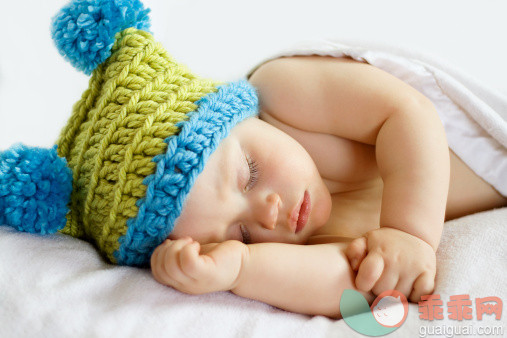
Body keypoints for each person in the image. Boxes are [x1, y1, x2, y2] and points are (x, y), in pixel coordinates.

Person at [150, 55, 507, 317]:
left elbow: (409, 113)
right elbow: (356, 290)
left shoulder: (282, 93)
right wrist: (241, 268)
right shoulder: (310, 241)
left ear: (239, 113)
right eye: (242, 235)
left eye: (250, 173)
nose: (269, 214)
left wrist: (409, 232)